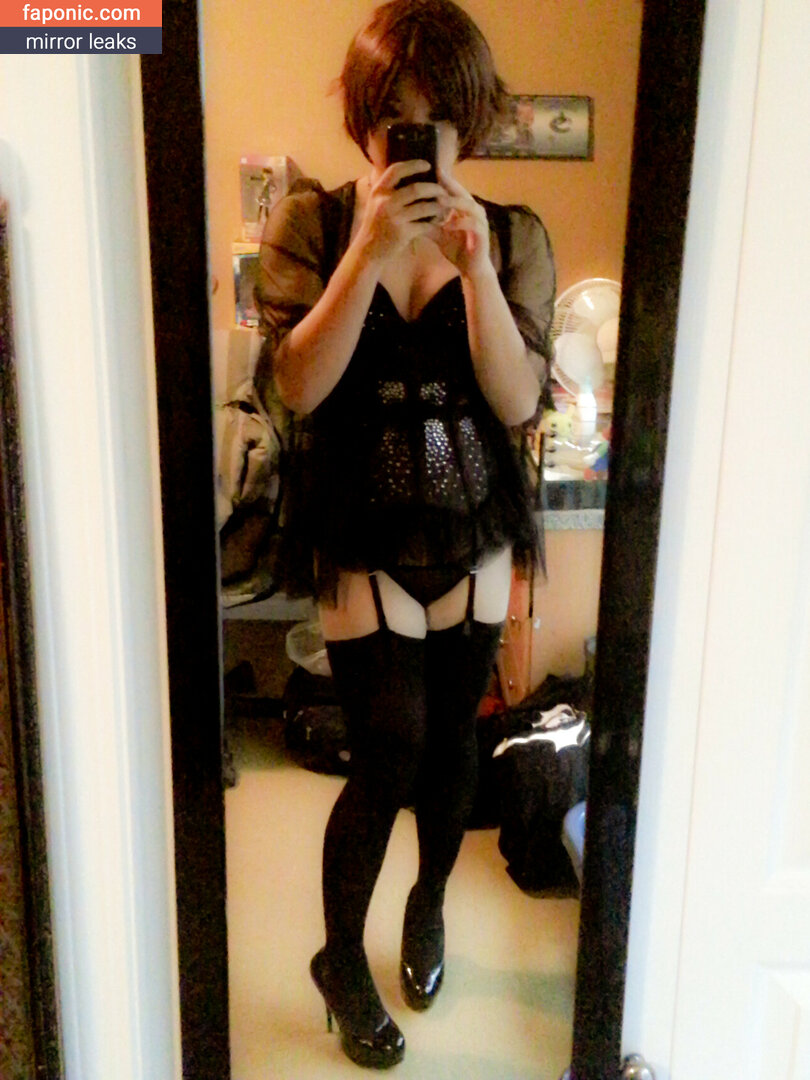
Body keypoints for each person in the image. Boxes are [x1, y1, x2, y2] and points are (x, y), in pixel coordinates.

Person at [254, 0, 555, 1068]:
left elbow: (517, 402)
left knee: (453, 747)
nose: (413, 141)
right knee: (386, 750)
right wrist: (369, 254)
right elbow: (296, 388)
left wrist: (473, 271)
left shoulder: (512, 236)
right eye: (394, 119)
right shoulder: (315, 224)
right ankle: (340, 956)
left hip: (478, 528)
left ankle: (428, 906)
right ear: (365, 120)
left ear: (469, 121)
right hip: (361, 531)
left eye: (434, 119)